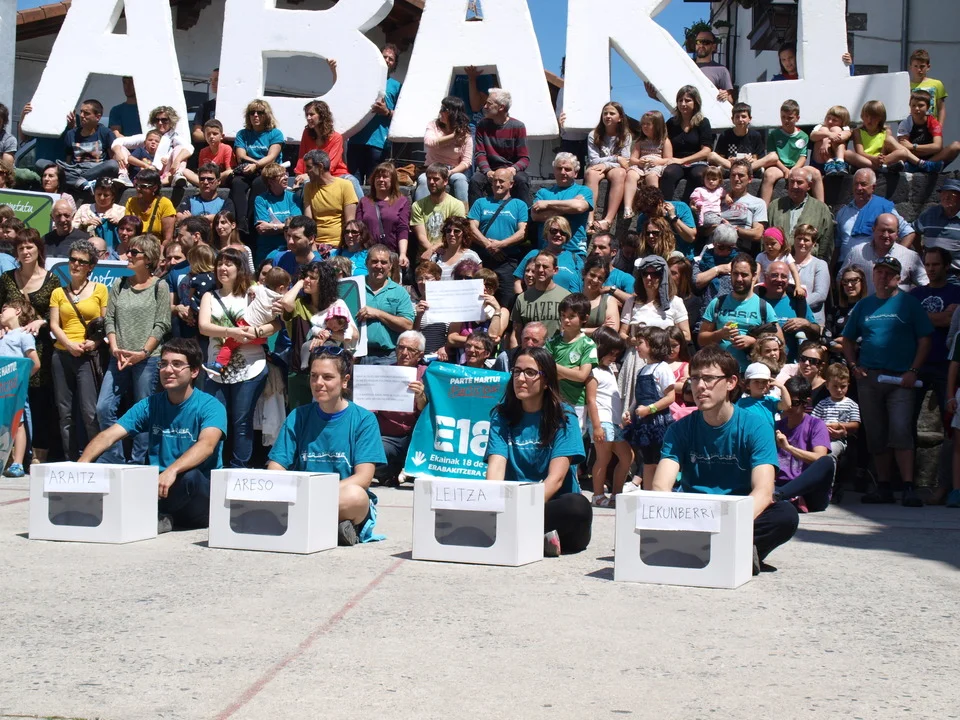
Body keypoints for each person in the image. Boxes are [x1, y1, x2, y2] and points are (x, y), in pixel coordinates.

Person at [653, 346, 799, 572]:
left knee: (785, 515)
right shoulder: (680, 429)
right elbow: (660, 486)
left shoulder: (757, 427)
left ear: (731, 382)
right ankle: (734, 552)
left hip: (738, 512)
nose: (700, 386)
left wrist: (727, 524)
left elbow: (763, 491)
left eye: (709, 378)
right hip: (694, 512)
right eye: (694, 378)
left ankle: (715, 550)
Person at [80, 338, 226, 531]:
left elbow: (206, 445)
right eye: (163, 364)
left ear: (194, 371)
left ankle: (151, 515)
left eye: (177, 364)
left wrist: (172, 470)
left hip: (198, 494)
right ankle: (157, 515)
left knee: (190, 477)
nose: (168, 370)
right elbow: (108, 436)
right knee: (112, 468)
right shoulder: (150, 404)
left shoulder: (211, 406)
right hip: (159, 488)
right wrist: (80, 467)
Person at [269, 347, 387, 546]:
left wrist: (316, 492)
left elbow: (364, 478)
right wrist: (296, 492)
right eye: (314, 376)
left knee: (356, 497)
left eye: (327, 377)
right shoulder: (298, 416)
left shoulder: (364, 419)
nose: (318, 383)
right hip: (300, 496)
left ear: (345, 380)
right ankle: (329, 527)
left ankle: (303, 524)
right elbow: (276, 467)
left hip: (337, 497)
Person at [842, 256, 933, 507]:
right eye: (879, 272)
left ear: (898, 277)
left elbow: (925, 339)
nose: (883, 277)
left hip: (901, 379)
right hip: (869, 378)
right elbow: (848, 339)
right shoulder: (864, 305)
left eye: (889, 273)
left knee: (901, 430)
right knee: (876, 433)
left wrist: (914, 370)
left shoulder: (909, 303)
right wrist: (853, 366)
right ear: (873, 275)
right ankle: (882, 485)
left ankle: (908, 486)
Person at [486, 347, 592, 556]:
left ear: (546, 381)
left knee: (578, 506)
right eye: (517, 371)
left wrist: (521, 512)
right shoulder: (502, 416)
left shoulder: (565, 416)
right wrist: (494, 506)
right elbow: (495, 471)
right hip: (512, 505)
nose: (520, 379)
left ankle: (519, 533)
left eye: (530, 373)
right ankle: (533, 536)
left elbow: (556, 480)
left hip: (550, 507)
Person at [198, 247, 279, 468]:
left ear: (239, 268)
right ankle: (213, 467)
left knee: (242, 421)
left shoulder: (253, 293)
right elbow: (203, 326)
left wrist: (256, 331)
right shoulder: (209, 295)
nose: (223, 268)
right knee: (214, 421)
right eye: (220, 264)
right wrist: (231, 332)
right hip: (216, 368)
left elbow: (277, 322)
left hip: (251, 367)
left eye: (229, 264)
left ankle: (238, 468)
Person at [96, 234, 171, 464]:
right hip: (119, 357)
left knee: (143, 411)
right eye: (129, 251)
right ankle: (115, 458)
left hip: (147, 359)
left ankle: (138, 462)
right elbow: (109, 319)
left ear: (148, 259)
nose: (128, 255)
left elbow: (162, 324)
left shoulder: (160, 286)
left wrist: (143, 353)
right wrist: (115, 348)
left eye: (134, 252)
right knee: (103, 407)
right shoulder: (119, 284)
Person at [49, 238, 109, 460]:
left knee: (89, 412)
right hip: (62, 354)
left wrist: (95, 342)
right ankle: (70, 459)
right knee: (65, 413)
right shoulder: (58, 292)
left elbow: (106, 322)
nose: (75, 264)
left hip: (88, 355)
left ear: (90, 266)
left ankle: (95, 459)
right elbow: (54, 325)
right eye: (72, 259)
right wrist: (68, 344)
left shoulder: (100, 289)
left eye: (81, 262)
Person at [699, 253, 784, 372]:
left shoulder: (764, 306)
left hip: (753, 374)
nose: (739, 279)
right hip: (721, 372)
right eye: (735, 274)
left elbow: (780, 342)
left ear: (754, 276)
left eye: (744, 275)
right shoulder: (717, 303)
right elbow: (701, 340)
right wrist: (719, 334)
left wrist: (753, 342)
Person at [206, 265, 290, 374]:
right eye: (288, 287)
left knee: (229, 345)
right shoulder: (281, 300)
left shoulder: (260, 289)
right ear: (281, 288)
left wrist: (252, 292)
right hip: (260, 337)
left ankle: (219, 365)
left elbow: (251, 288)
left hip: (244, 327)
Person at [468, 166, 529, 308]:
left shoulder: (519, 205)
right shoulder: (480, 203)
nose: (497, 184)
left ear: (511, 184)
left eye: (501, 181)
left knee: (507, 302)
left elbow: (523, 232)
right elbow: (471, 228)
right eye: (494, 181)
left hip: (507, 261)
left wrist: (501, 245)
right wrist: (489, 246)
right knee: (480, 301)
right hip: (484, 260)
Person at [774, 376, 837, 513]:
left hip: (809, 493)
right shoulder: (776, 426)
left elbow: (818, 457)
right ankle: (786, 499)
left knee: (827, 461)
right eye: (785, 400)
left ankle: (781, 497)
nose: (789, 406)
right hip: (780, 485)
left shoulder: (816, 425)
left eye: (794, 402)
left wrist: (788, 448)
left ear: (806, 402)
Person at [623, 326, 676, 490]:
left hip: (658, 424)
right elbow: (638, 398)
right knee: (647, 460)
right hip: (644, 424)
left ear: (653, 344)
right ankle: (647, 493)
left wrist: (650, 409)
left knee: (659, 459)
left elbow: (670, 397)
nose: (637, 347)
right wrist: (629, 411)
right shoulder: (642, 370)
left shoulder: (662, 368)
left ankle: (659, 492)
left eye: (640, 343)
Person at [585, 327, 633, 507]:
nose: (614, 357)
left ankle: (616, 494)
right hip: (602, 421)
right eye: (611, 353)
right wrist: (597, 426)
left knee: (627, 457)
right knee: (603, 458)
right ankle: (598, 495)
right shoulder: (593, 371)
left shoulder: (609, 370)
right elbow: (591, 400)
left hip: (614, 422)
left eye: (616, 354)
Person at [374, 330, 428, 486]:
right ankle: (390, 472)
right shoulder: (382, 373)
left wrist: (420, 397)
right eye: (401, 347)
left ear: (420, 355)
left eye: (410, 349)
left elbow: (429, 412)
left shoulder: (427, 375)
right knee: (372, 453)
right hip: (388, 437)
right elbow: (369, 409)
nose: (404, 353)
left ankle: (407, 471)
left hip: (416, 437)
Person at [834, 169, 914, 265]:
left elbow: (909, 233)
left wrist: (894, 258)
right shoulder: (843, 212)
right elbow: (837, 245)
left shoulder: (883, 207)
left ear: (873, 187)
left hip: (873, 266)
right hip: (845, 266)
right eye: (856, 184)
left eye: (863, 184)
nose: (859, 188)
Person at [347, 44, 402, 185]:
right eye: (384, 57)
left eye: (391, 59)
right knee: (353, 183)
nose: (387, 60)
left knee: (376, 184)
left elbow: (402, 115)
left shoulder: (397, 86)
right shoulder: (362, 82)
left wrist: (387, 112)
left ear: (395, 64)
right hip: (356, 139)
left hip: (379, 142)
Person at [468, 89, 531, 206]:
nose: (485, 106)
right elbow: (480, 153)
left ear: (501, 107)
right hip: (490, 169)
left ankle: (527, 216)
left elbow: (524, 158)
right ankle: (475, 215)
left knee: (522, 180)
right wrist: (487, 171)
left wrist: (513, 169)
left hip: (510, 169)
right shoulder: (482, 125)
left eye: (489, 103)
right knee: (475, 180)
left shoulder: (518, 126)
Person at [231, 99, 284, 236]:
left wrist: (256, 165)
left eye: (259, 112)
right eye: (252, 112)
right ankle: (241, 222)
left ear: (266, 115)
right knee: (237, 183)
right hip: (248, 168)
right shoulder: (242, 134)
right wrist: (254, 164)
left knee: (259, 183)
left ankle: (251, 222)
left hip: (268, 170)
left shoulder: (275, 133)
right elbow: (241, 155)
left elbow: (272, 157)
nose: (255, 115)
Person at [0, 295, 40, 478]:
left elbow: (35, 363)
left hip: (15, 389)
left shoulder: (24, 335)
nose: (1, 313)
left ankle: (18, 463)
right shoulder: (3, 334)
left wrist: (20, 381)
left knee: (18, 423)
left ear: (17, 311)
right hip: (1, 387)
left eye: (4, 309)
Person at [546, 293, 598, 429]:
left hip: (576, 403)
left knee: (574, 437)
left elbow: (582, 376)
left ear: (584, 318)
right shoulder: (552, 342)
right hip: (553, 399)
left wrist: (553, 366)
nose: (566, 320)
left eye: (571, 316)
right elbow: (544, 371)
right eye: (563, 315)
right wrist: (572, 370)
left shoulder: (588, 344)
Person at [840, 213, 927, 294]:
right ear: (873, 230)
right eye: (882, 230)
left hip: (897, 305)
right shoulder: (856, 253)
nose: (886, 235)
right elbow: (840, 279)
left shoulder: (910, 256)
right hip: (864, 305)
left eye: (890, 231)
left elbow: (925, 284)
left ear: (897, 233)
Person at [356, 245, 415, 365]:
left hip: (387, 357)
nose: (379, 266)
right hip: (356, 355)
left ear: (390, 265)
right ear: (366, 263)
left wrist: (378, 314)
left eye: (383, 262)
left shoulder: (399, 292)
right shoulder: (355, 286)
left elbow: (408, 325)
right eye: (374, 261)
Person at [293, 100, 362, 201]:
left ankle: (364, 209)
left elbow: (330, 165)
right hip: (312, 174)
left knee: (352, 180)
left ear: (322, 116)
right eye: (307, 115)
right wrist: (299, 175)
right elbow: (302, 157)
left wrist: (308, 175)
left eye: (311, 114)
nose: (308, 118)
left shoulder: (336, 137)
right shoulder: (306, 133)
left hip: (336, 174)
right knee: (302, 188)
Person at [765, 166, 835, 264]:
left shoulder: (821, 209)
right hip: (778, 265)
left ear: (809, 185)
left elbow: (826, 242)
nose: (794, 186)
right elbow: (765, 236)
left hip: (807, 264)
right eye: (791, 182)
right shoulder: (775, 206)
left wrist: (820, 264)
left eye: (799, 182)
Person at [113, 106, 194, 188]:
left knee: (180, 149)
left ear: (171, 121)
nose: (160, 123)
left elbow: (189, 148)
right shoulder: (148, 137)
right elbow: (119, 141)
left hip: (167, 173)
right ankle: (123, 175)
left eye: (164, 120)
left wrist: (177, 160)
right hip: (147, 171)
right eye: (157, 120)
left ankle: (178, 174)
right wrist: (118, 153)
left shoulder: (175, 138)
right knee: (121, 148)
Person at [850, 100, 939, 173]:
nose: (869, 120)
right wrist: (873, 158)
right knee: (848, 154)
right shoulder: (858, 132)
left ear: (880, 118)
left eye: (873, 117)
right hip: (866, 160)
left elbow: (885, 150)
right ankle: (920, 164)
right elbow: (860, 152)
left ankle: (920, 164)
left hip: (882, 160)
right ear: (862, 117)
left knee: (902, 152)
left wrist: (880, 158)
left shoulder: (885, 131)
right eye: (866, 116)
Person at [530, 152, 593, 257]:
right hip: (546, 252)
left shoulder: (584, 191)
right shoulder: (543, 193)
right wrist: (570, 206)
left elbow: (579, 207)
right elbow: (536, 216)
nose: (563, 172)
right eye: (559, 168)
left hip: (574, 252)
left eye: (567, 169)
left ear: (576, 173)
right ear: (554, 171)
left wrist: (548, 204)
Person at [645, 30, 733, 104]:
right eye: (698, 42)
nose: (701, 45)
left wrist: (725, 96)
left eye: (706, 42)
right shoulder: (683, 66)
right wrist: (655, 96)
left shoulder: (721, 70)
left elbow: (730, 100)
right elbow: (673, 96)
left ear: (713, 46)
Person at [757, 99, 818, 204]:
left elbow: (803, 156)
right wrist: (785, 170)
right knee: (769, 174)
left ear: (797, 118)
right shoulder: (773, 134)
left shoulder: (803, 136)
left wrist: (794, 170)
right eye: (783, 117)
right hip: (779, 167)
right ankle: (763, 209)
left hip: (797, 167)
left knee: (816, 173)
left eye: (790, 118)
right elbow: (773, 156)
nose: (786, 121)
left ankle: (822, 208)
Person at [414, 96, 473, 206]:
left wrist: (451, 172)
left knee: (461, 179)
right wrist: (454, 136)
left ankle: (463, 213)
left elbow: (466, 161)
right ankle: (420, 212)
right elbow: (429, 142)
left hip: (452, 170)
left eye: (443, 109)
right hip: (432, 168)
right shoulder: (433, 125)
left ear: (453, 113)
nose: (440, 112)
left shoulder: (465, 135)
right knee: (424, 180)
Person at [659, 86, 713, 203]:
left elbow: (706, 151)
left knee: (699, 175)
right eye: (680, 100)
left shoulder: (703, 122)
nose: (683, 104)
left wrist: (683, 160)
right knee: (668, 173)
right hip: (676, 162)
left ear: (696, 103)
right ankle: (664, 208)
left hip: (697, 162)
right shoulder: (671, 123)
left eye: (687, 100)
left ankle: (694, 209)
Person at [755, 260, 819, 361]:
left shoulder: (798, 302)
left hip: (793, 364)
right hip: (764, 364)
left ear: (788, 279)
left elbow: (817, 331)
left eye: (784, 276)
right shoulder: (756, 302)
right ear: (765, 277)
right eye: (774, 275)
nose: (779, 279)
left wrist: (806, 324)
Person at [584, 102, 631, 234]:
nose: (608, 116)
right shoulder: (594, 134)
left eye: (612, 113)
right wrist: (616, 158)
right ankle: (589, 219)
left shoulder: (625, 135)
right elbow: (593, 160)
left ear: (620, 118)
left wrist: (607, 164)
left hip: (613, 168)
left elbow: (625, 161)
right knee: (591, 174)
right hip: (598, 166)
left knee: (620, 174)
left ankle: (608, 220)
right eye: (605, 113)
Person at [356, 162, 411, 267]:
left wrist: (403, 254)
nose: (381, 180)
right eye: (378, 177)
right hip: (367, 256)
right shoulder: (364, 201)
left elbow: (403, 229)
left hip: (390, 255)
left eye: (385, 177)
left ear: (392, 180)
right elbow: (358, 229)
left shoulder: (402, 201)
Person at [60, 99, 121, 192]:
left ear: (98, 117)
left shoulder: (105, 132)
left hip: (97, 171)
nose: (81, 115)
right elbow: (68, 161)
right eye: (81, 112)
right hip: (76, 170)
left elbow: (113, 159)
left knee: (112, 164)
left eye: (86, 113)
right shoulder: (71, 134)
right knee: (42, 164)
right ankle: (83, 183)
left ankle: (79, 181)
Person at [514, 216, 583, 296]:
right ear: (546, 233)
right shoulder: (534, 254)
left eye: (563, 232)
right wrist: (522, 300)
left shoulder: (575, 259)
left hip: (566, 302)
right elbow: (517, 282)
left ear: (567, 236)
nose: (558, 234)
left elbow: (582, 286)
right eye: (554, 231)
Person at [512, 251, 571, 344]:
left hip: (556, 350)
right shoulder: (522, 298)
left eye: (545, 267)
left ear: (555, 270)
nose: (540, 270)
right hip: (530, 350)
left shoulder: (566, 297)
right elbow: (516, 332)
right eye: (537, 266)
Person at [411, 163, 467, 261]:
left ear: (445, 181)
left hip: (449, 255)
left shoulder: (457, 205)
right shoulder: (417, 205)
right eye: (429, 178)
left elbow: (456, 233)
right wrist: (431, 250)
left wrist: (434, 248)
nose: (431, 182)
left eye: (436, 179)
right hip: (426, 256)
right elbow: (421, 236)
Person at [253, 163, 304, 265]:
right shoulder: (261, 200)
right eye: (281, 176)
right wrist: (286, 227)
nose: (286, 177)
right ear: (270, 181)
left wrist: (274, 227)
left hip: (289, 249)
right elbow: (263, 229)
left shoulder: (292, 197)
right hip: (268, 251)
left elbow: (297, 225)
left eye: (286, 174)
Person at [624, 110, 671, 215]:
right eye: (643, 124)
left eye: (648, 124)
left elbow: (668, 158)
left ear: (657, 126)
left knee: (652, 176)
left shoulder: (664, 141)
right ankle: (628, 206)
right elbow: (632, 159)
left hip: (655, 165)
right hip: (641, 165)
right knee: (630, 175)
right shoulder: (640, 141)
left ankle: (655, 204)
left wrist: (657, 161)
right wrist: (639, 161)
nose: (644, 126)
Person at [897, 92, 960, 170]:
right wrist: (928, 149)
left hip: (932, 159)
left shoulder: (933, 122)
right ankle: (923, 165)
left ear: (928, 107)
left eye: (920, 105)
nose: (916, 108)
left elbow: (938, 146)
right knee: (898, 149)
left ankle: (924, 166)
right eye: (913, 105)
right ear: (910, 106)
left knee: (956, 146)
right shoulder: (905, 123)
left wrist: (914, 146)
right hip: (913, 158)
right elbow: (904, 147)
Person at [631, 186, 697, 260]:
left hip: (682, 259)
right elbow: (643, 245)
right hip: (657, 259)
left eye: (649, 211)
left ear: (660, 203)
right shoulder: (643, 218)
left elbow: (690, 238)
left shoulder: (680, 208)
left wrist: (673, 218)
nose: (647, 215)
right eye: (644, 212)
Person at [812, 363, 861, 459]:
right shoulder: (822, 404)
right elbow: (813, 421)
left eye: (843, 386)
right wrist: (823, 428)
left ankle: (829, 468)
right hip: (820, 438)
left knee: (830, 453)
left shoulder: (851, 404)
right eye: (835, 386)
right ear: (827, 385)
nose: (839, 390)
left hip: (840, 440)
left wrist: (838, 426)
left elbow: (855, 424)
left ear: (848, 385)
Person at [824, 265, 868, 363]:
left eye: (854, 280)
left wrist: (844, 343)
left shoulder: (869, 310)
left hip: (861, 363)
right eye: (845, 281)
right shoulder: (835, 311)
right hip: (836, 365)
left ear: (862, 282)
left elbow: (868, 340)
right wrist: (849, 345)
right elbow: (825, 339)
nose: (849, 285)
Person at [916, 178, 960, 272]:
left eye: (951, 195)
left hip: (955, 274)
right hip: (930, 272)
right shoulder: (929, 214)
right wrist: (920, 253)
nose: (946, 197)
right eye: (943, 194)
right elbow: (913, 232)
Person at [792, 224, 831, 325]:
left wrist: (796, 305)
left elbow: (820, 295)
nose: (801, 242)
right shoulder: (786, 263)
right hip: (788, 317)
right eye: (799, 238)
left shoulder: (820, 265)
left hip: (812, 320)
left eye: (806, 240)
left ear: (813, 244)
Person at [709, 102, 765, 171]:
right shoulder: (725, 135)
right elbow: (721, 157)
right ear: (732, 119)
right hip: (730, 166)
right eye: (737, 117)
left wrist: (751, 159)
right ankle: (737, 168)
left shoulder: (755, 135)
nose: (740, 120)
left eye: (743, 117)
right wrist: (729, 160)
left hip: (749, 166)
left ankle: (743, 169)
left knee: (772, 156)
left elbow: (757, 159)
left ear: (749, 119)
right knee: (711, 155)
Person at [73, 178, 125, 251]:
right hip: (86, 249)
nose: (102, 198)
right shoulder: (84, 208)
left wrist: (119, 224)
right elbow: (72, 228)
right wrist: (84, 224)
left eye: (106, 195)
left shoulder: (121, 210)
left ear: (113, 196)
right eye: (99, 194)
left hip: (113, 249)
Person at [124, 169, 175, 244]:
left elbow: (168, 239)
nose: (138, 188)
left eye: (143, 186)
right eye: (136, 185)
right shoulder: (131, 202)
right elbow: (127, 231)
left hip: (155, 247)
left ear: (155, 188)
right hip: (135, 245)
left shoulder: (165, 204)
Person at [581, 255, 621, 336]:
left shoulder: (609, 301)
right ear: (584, 274)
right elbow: (565, 328)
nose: (595, 280)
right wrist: (600, 328)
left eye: (600, 278)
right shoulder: (574, 299)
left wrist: (579, 330)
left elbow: (612, 330)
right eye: (592, 275)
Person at [430, 217, 480, 281]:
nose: (451, 234)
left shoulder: (472, 256)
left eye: (456, 231)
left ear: (464, 233)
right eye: (448, 231)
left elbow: (479, 282)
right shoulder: (436, 258)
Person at [187, 119, 234, 186]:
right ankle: (207, 183)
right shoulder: (203, 151)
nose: (211, 137)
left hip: (220, 179)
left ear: (222, 136)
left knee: (230, 172)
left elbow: (229, 170)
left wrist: (214, 178)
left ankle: (210, 182)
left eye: (215, 134)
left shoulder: (227, 148)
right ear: (205, 136)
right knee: (184, 171)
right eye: (208, 134)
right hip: (205, 178)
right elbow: (201, 172)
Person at [810, 105, 853, 176]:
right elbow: (812, 137)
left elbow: (844, 136)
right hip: (820, 162)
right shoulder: (820, 127)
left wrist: (827, 142)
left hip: (837, 165)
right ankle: (829, 163)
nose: (830, 121)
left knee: (836, 129)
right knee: (823, 130)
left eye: (834, 120)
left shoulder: (845, 128)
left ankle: (840, 162)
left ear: (843, 122)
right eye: (828, 118)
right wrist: (828, 135)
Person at [908, 49, 947, 127]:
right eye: (915, 66)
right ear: (910, 67)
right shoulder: (906, 85)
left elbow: (941, 108)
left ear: (928, 67)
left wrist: (939, 127)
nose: (919, 70)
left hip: (931, 126)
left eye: (922, 66)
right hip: (911, 126)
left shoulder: (937, 84)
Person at [191, 68, 220, 144]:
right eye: (211, 80)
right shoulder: (205, 106)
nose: (212, 83)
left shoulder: (235, 107)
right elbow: (196, 133)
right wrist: (214, 138)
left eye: (216, 79)